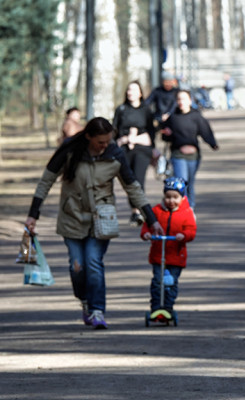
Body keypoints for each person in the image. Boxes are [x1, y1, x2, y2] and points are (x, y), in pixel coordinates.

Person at [25, 117, 164, 329]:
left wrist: (151, 219)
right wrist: (33, 214)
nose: (104, 145)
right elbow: (46, 181)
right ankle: (85, 301)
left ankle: (98, 310)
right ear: (88, 136)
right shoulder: (70, 151)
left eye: (108, 141)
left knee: (93, 262)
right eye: (100, 141)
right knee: (77, 267)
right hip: (72, 217)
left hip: (102, 219)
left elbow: (132, 188)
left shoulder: (114, 154)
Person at [140, 177, 196, 316]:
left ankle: (168, 307)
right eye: (168, 197)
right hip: (159, 255)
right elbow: (147, 224)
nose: (171, 201)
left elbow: (191, 230)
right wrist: (146, 234)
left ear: (182, 198)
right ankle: (156, 307)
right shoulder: (157, 211)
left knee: (171, 283)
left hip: (176, 256)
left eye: (175, 197)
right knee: (158, 282)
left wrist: (184, 235)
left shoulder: (186, 212)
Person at [160, 89, 219, 210]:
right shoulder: (172, 117)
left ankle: (190, 208)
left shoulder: (196, 116)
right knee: (182, 182)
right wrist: (165, 133)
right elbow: (165, 136)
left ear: (190, 100)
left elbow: (205, 131)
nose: (181, 102)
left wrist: (212, 144)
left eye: (184, 99)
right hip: (178, 154)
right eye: (179, 99)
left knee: (190, 184)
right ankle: (184, 209)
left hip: (194, 156)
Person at [113, 80, 156, 226]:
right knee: (128, 180)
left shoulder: (146, 110)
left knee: (138, 180)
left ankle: (140, 211)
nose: (131, 93)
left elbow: (151, 131)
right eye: (129, 90)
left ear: (140, 93)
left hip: (142, 149)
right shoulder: (121, 109)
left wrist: (153, 149)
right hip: (124, 149)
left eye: (134, 90)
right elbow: (114, 130)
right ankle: (134, 211)